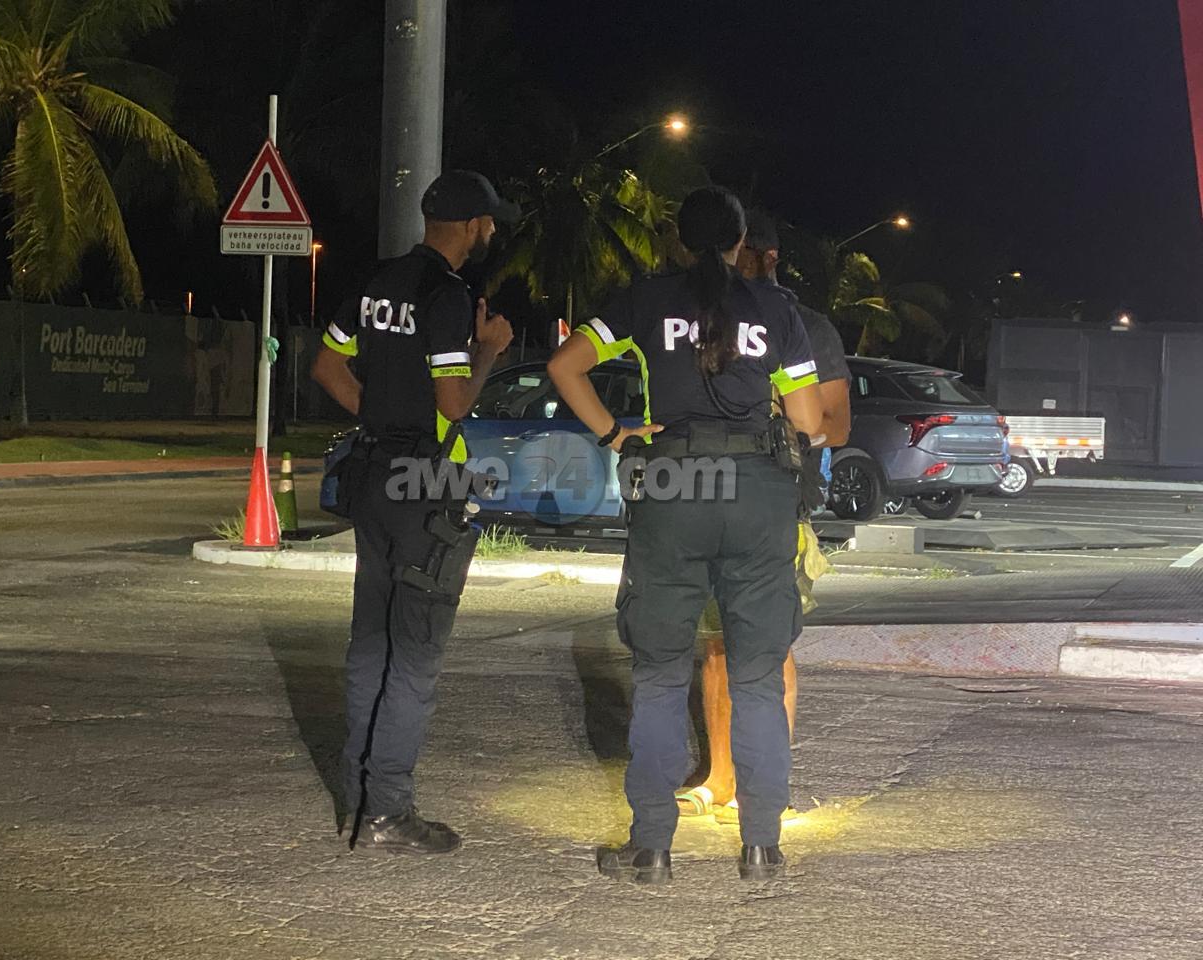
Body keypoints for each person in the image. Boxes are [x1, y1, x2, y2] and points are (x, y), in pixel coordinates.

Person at [548, 186, 824, 883]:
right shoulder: (776, 308)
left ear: (677, 239)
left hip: (672, 486)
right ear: (740, 242)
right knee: (757, 677)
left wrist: (616, 434)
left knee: (661, 675)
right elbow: (809, 420)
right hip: (757, 493)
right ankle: (762, 845)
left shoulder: (644, 299)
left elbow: (563, 366)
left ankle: (651, 847)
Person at [311, 170, 517, 856]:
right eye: (489, 221)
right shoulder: (445, 294)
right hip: (422, 483)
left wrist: (379, 417)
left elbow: (326, 366)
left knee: (370, 642)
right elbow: (453, 404)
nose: (492, 230)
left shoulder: (378, 281)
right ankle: (388, 812)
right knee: (416, 651)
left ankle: (358, 802)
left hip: (371, 474)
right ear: (470, 226)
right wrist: (488, 348)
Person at [675, 207, 852, 826]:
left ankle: (764, 783)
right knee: (715, 647)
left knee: (768, 648)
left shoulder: (805, 325)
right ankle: (719, 777)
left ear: (763, 257)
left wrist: (777, 426)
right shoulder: (705, 315)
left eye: (739, 251)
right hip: (708, 500)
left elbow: (835, 424)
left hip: (778, 503)